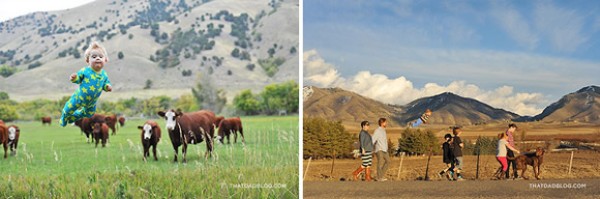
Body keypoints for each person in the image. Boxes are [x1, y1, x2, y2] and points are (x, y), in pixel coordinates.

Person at [59, 42, 112, 126]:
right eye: (94, 57)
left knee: (89, 114)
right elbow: (78, 78)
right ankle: (64, 117)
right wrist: (74, 78)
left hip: (91, 103)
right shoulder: (85, 71)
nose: (97, 58)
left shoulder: (104, 75)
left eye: (100, 57)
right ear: (88, 60)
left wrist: (107, 87)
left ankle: (74, 117)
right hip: (79, 97)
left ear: (105, 60)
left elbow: (106, 84)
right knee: (69, 108)